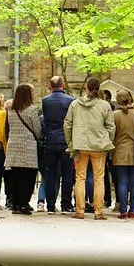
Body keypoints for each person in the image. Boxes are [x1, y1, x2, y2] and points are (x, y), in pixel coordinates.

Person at [64, 77, 115, 220]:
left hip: (80, 145)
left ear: (86, 87)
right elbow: (111, 126)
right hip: (99, 145)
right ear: (98, 89)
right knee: (99, 179)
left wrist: (70, 142)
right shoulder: (104, 105)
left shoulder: (75, 104)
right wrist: (108, 141)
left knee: (80, 178)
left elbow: (67, 125)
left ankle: (79, 210)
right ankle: (98, 211)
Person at [5, 83, 41, 215]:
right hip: (27, 147)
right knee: (28, 176)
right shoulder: (32, 110)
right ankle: (23, 203)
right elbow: (37, 130)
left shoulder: (10, 110)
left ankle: (15, 204)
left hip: (13, 146)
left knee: (15, 176)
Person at [41, 76, 75, 214]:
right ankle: (66, 204)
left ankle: (50, 205)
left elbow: (45, 119)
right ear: (63, 85)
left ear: (51, 86)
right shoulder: (70, 101)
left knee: (51, 174)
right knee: (67, 174)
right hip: (65, 141)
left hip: (50, 141)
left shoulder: (45, 101)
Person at [112, 91, 134, 219]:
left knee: (122, 182)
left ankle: (123, 211)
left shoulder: (115, 114)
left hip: (120, 151)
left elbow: (111, 134)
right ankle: (133, 211)